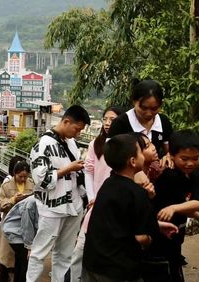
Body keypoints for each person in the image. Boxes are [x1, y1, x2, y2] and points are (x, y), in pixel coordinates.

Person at [83, 133, 175, 282]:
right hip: (119, 269)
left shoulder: (107, 185)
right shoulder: (138, 193)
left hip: (93, 263)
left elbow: (119, 222)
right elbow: (140, 237)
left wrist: (155, 225)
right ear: (133, 161)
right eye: (140, 151)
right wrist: (150, 238)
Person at [26, 105, 90, 282]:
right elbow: (41, 179)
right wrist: (68, 168)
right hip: (52, 207)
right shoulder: (43, 144)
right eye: (77, 129)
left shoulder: (71, 143)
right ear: (66, 121)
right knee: (39, 252)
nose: (77, 134)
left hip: (74, 205)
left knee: (65, 254)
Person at [69, 106, 123, 282]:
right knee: (80, 249)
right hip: (95, 205)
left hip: (115, 206)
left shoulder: (126, 145)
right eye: (105, 119)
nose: (107, 123)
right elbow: (89, 171)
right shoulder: (96, 144)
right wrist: (92, 197)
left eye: (112, 120)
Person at [148, 130, 199, 282]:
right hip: (157, 231)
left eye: (195, 158)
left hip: (177, 229)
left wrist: (174, 208)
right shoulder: (164, 174)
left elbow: (196, 203)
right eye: (184, 159)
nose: (190, 163)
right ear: (171, 155)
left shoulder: (195, 175)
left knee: (173, 264)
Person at [108, 79, 174, 166]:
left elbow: (170, 151)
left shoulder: (164, 122)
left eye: (154, 109)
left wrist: (168, 157)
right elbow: (111, 156)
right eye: (144, 108)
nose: (149, 113)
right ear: (134, 101)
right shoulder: (120, 124)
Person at [0, 161, 34, 282]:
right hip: (9, 226)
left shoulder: (32, 184)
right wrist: (13, 200)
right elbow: (0, 205)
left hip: (26, 225)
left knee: (23, 259)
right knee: (6, 258)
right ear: (14, 174)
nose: (23, 179)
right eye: (20, 176)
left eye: (25, 176)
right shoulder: (6, 185)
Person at [2, 195, 39, 282]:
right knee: (25, 263)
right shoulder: (31, 203)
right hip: (15, 233)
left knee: (20, 262)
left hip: (17, 232)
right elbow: (27, 226)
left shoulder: (37, 201)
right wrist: (29, 246)